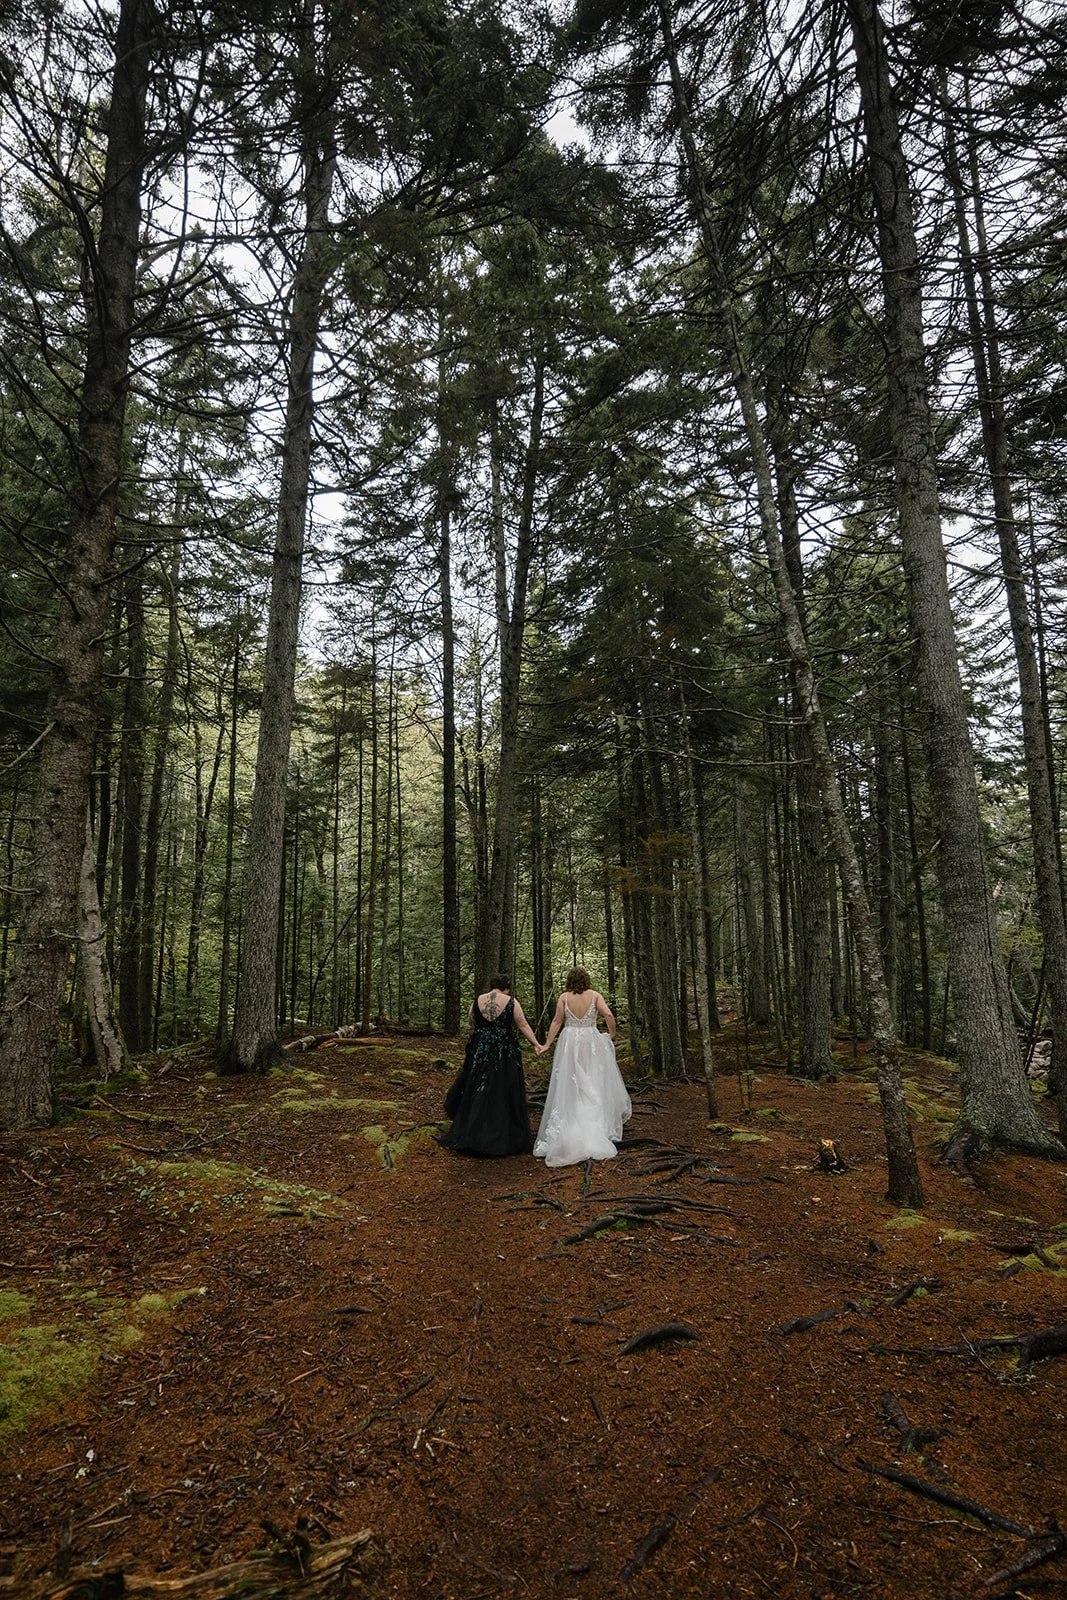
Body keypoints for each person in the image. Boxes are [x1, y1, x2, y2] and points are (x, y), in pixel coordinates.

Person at [533, 967, 631, 1168]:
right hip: (590, 1041)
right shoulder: (594, 996)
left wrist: (547, 1044)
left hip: (569, 1042)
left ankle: (571, 1127)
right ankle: (595, 1128)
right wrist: (610, 1035)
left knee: (571, 1083)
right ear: (586, 980)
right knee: (592, 1080)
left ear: (569, 981)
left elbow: (557, 1021)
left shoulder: (564, 997)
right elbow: (608, 1015)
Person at [438, 973, 537, 1157]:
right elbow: (522, 1024)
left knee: (477, 1085)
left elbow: (472, 1022)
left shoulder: (478, 1000)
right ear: (506, 987)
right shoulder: (511, 1002)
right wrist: (536, 1044)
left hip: (481, 1046)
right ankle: (502, 1135)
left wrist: (480, 1038)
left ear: (492, 985)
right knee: (503, 1086)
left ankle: (473, 1131)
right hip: (503, 1049)